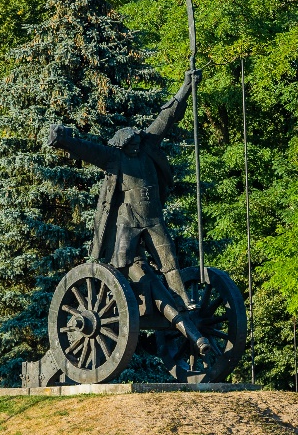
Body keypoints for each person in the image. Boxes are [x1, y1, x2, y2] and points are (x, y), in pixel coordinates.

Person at [45, 64, 215, 358]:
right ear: (123, 147)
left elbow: (168, 115)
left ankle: (184, 300)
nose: (136, 148)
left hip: (152, 219)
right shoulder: (114, 158)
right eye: (132, 146)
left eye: (138, 143)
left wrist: (188, 85)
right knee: (120, 268)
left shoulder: (148, 144)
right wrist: (62, 140)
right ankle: (116, 304)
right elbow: (87, 149)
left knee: (169, 259)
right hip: (127, 222)